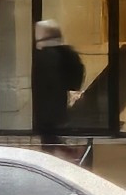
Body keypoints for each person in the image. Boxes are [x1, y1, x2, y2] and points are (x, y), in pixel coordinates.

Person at [31, 20, 85, 148]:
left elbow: (46, 83)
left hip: (47, 107)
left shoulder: (45, 56)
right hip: (57, 104)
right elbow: (77, 72)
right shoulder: (67, 53)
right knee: (52, 138)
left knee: (50, 140)